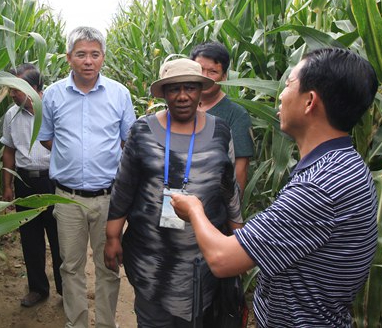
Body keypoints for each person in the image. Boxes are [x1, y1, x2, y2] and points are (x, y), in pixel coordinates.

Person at [172, 48, 379, 327]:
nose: (280, 95)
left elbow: (222, 259)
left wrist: (194, 209)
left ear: (309, 102)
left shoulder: (319, 187)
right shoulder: (345, 164)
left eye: (289, 84)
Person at [104, 58, 243, 328]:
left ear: (200, 91)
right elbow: (124, 187)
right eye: (174, 89)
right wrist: (112, 237)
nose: (182, 96)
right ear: (164, 93)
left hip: (202, 261)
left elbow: (229, 188)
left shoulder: (220, 131)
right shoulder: (142, 131)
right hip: (150, 259)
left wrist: (239, 239)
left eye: (190, 88)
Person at [38, 26, 136, 328]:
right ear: (69, 58)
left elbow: (128, 141)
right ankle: (76, 323)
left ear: (103, 57)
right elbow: (47, 138)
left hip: (109, 199)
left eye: (95, 54)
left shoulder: (119, 94)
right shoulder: (53, 95)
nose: (88, 61)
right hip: (67, 198)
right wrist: (72, 157)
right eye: (81, 54)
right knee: (70, 267)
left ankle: (107, 324)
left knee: (109, 265)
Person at [1, 64, 62, 307]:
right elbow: (8, 150)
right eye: (11, 89)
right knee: (30, 238)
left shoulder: (54, 109)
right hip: (25, 182)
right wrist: (7, 185)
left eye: (16, 89)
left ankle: (65, 289)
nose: (11, 94)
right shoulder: (11, 115)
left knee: (59, 237)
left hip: (53, 181)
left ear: (34, 88)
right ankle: (37, 289)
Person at [190, 42, 254, 191]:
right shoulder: (180, 106)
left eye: (212, 72)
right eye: (200, 70)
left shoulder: (236, 115)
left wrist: (234, 203)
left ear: (224, 77)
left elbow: (240, 168)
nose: (205, 77)